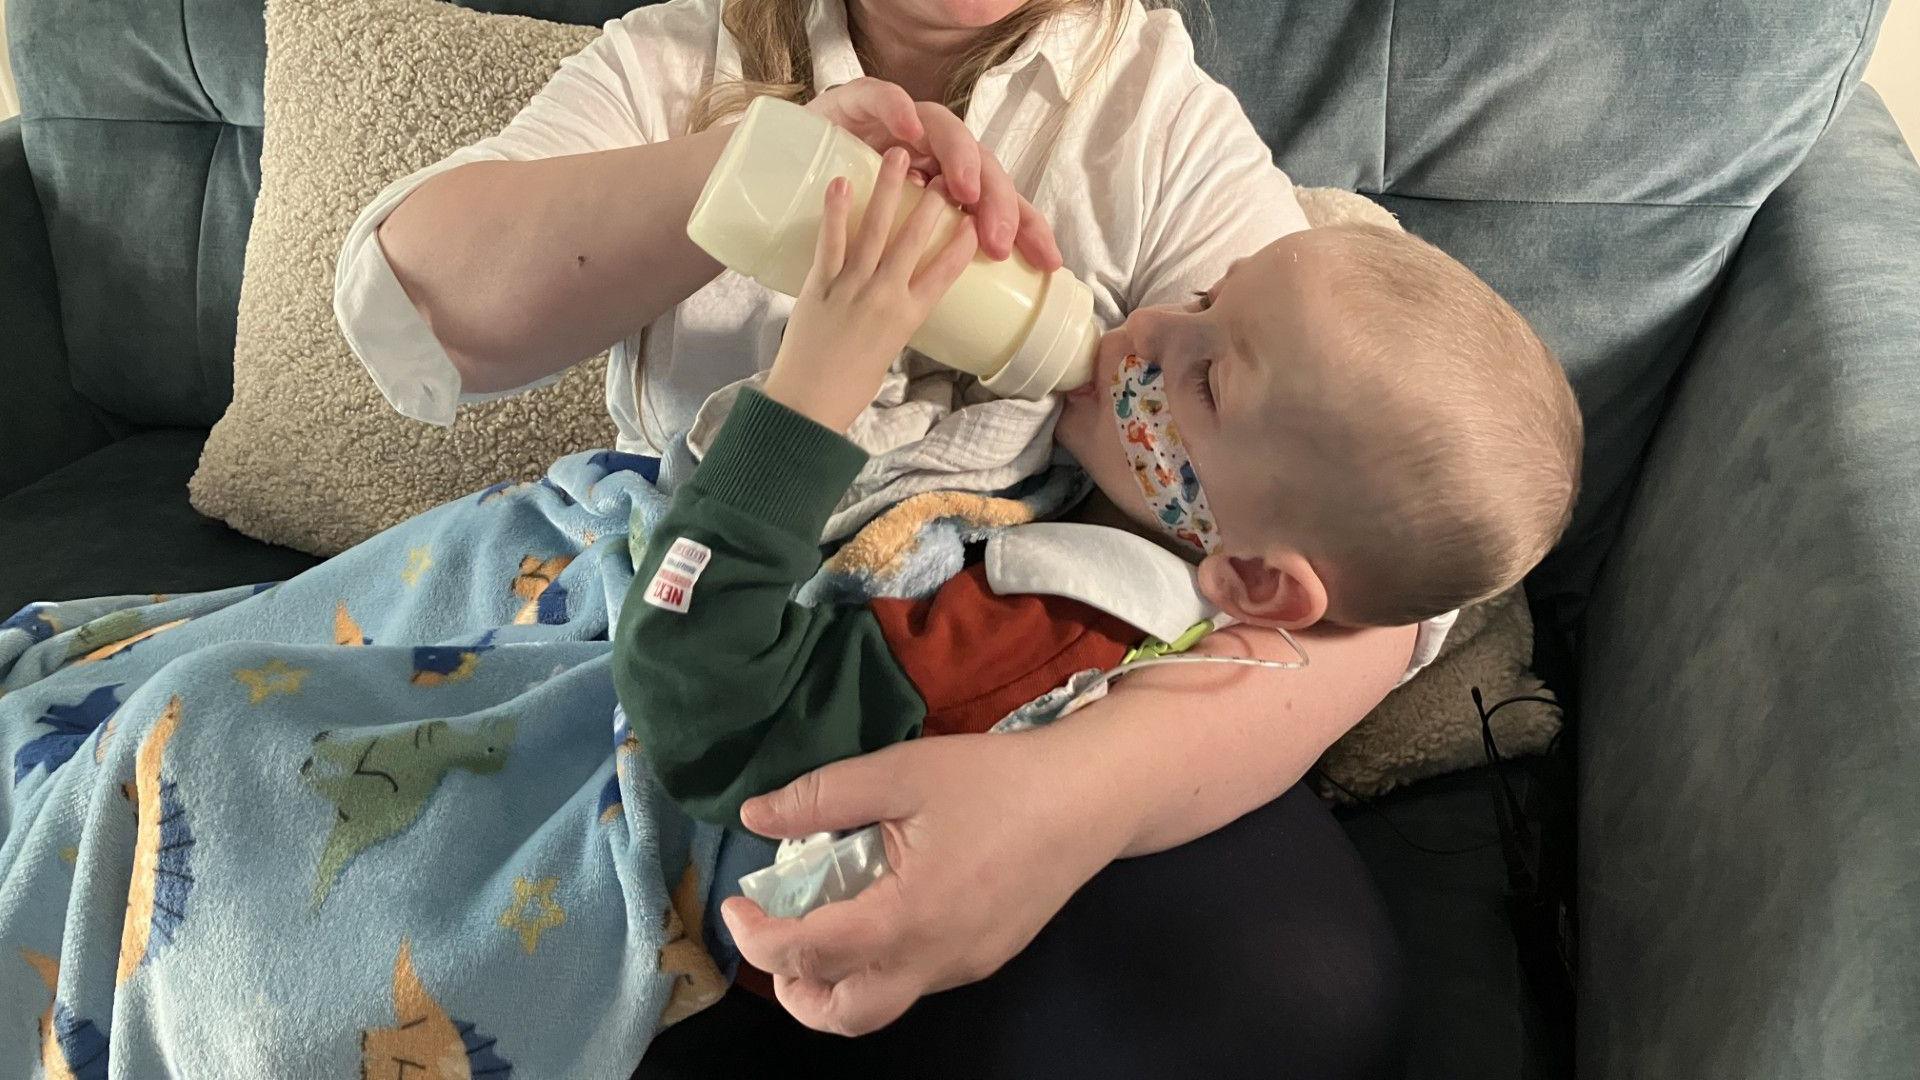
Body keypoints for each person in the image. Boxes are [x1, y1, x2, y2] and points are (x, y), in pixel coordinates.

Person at [337, 2, 1439, 1075]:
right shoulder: (677, 58)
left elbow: (1383, 555)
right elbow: (409, 301)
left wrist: (1075, 795)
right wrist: (738, 173)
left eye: (1200, 313)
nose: (1140, 327)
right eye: (1185, 301)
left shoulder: (1151, 113)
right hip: (687, 596)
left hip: (964, 643)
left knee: (1294, 992)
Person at [616, 156, 1581, 832]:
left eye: (1205, 382)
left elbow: (709, 721)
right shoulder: (1123, 479)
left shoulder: (1039, 638)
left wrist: (809, 399)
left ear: (1250, 575)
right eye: (1205, 300)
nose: (1150, 328)